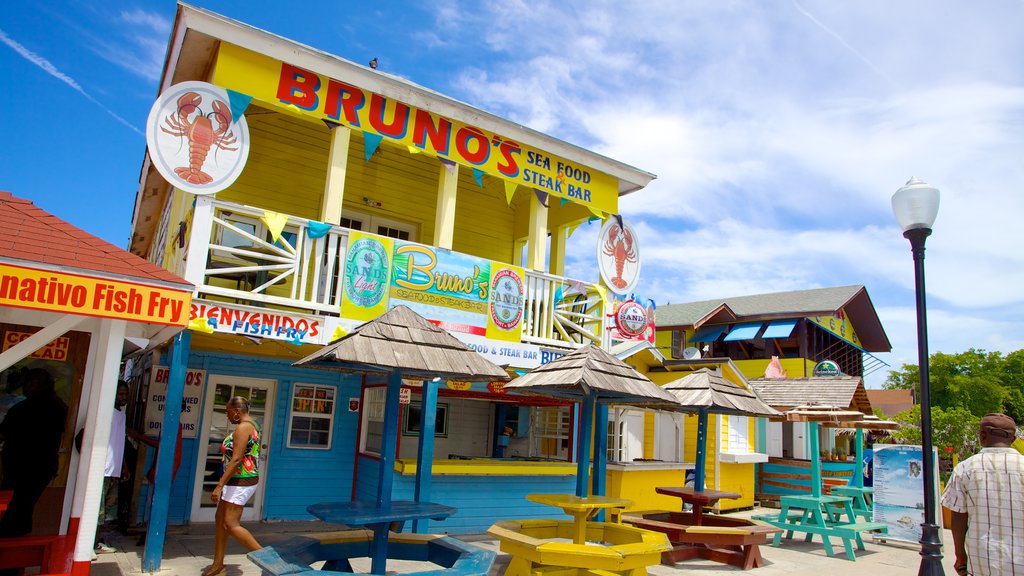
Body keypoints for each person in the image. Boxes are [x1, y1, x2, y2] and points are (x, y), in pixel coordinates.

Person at [940, 413, 1024, 576]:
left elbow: (958, 517)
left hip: (981, 562)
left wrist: (960, 556)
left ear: (982, 436)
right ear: (1013, 440)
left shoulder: (965, 469)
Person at [0, 368, 67, 537]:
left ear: (44, 386)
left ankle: (14, 553)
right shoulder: (56, 405)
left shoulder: (30, 408)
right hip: (37, 466)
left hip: (28, 467)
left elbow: (5, 432)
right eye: (27, 382)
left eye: (33, 383)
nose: (27, 386)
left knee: (16, 509)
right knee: (21, 509)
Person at [203, 397, 262, 576]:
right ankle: (218, 565)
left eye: (228, 412)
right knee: (220, 521)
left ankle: (270, 559)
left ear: (237, 411)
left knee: (230, 524)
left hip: (240, 480)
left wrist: (219, 485)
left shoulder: (243, 427)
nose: (227, 416)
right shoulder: (251, 424)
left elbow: (237, 459)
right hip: (236, 479)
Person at [94, 381, 130, 554]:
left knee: (106, 511)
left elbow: (118, 443)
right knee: (96, 510)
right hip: (102, 469)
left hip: (113, 470)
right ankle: (90, 543)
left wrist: (123, 467)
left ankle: (97, 541)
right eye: (121, 393)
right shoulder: (106, 413)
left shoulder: (121, 414)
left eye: (125, 394)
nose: (124, 397)